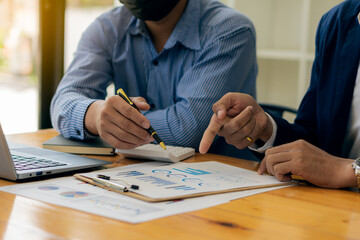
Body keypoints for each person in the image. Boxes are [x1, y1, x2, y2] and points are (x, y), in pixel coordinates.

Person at [50, 0, 258, 159]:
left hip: (219, 181)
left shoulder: (229, 30)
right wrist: (95, 115)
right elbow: (63, 101)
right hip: (132, 175)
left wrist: (115, 124)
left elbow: (187, 131)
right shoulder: (107, 28)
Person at [200, 0, 360, 189]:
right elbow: (315, 143)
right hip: (336, 206)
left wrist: (347, 171)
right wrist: (264, 128)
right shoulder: (338, 21)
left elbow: (329, 167)